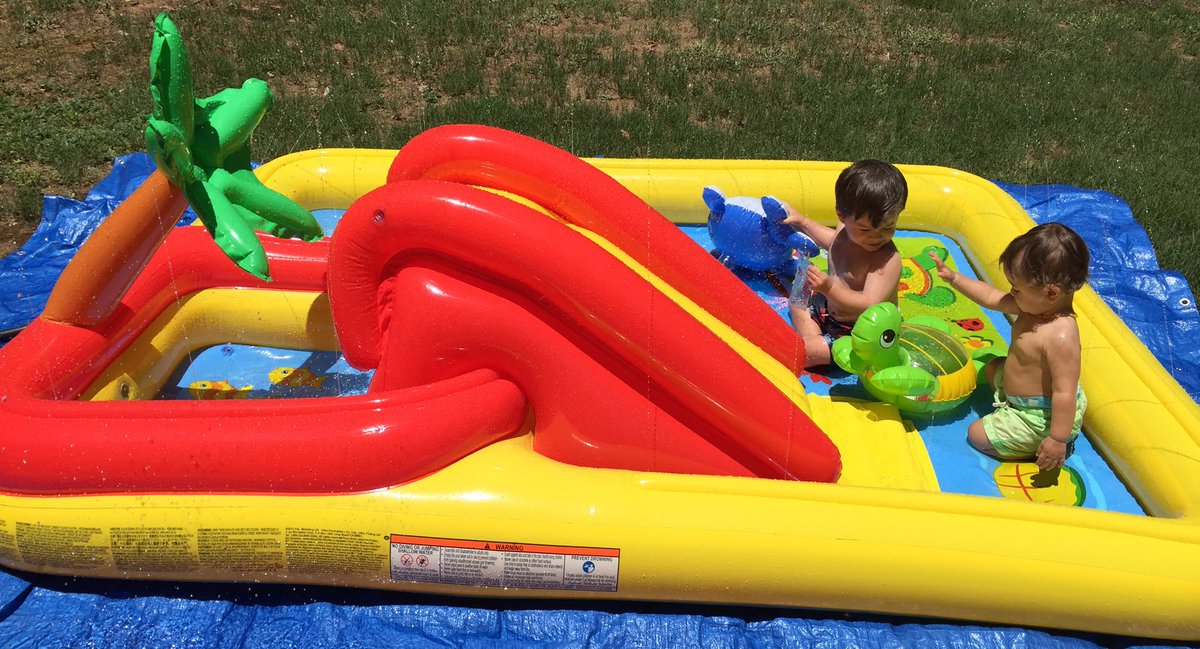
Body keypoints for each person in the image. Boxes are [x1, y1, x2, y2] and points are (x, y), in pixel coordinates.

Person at [930, 223, 1089, 471]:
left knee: (977, 435)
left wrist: (1057, 439)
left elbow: (1064, 393)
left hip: (1039, 417)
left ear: (1051, 293)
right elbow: (991, 297)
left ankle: (1043, 450)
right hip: (1019, 394)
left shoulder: (1060, 336)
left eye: (1017, 289)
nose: (1012, 294)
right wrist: (954, 278)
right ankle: (1014, 412)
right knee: (993, 366)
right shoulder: (1033, 305)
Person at [778, 159, 906, 367]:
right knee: (797, 302)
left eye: (888, 227)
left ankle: (812, 348)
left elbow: (868, 304)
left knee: (802, 351)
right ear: (842, 217)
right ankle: (815, 342)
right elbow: (832, 241)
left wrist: (829, 288)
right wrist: (802, 222)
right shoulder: (845, 231)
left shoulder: (886, 260)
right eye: (865, 229)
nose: (876, 237)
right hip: (829, 309)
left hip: (861, 333)